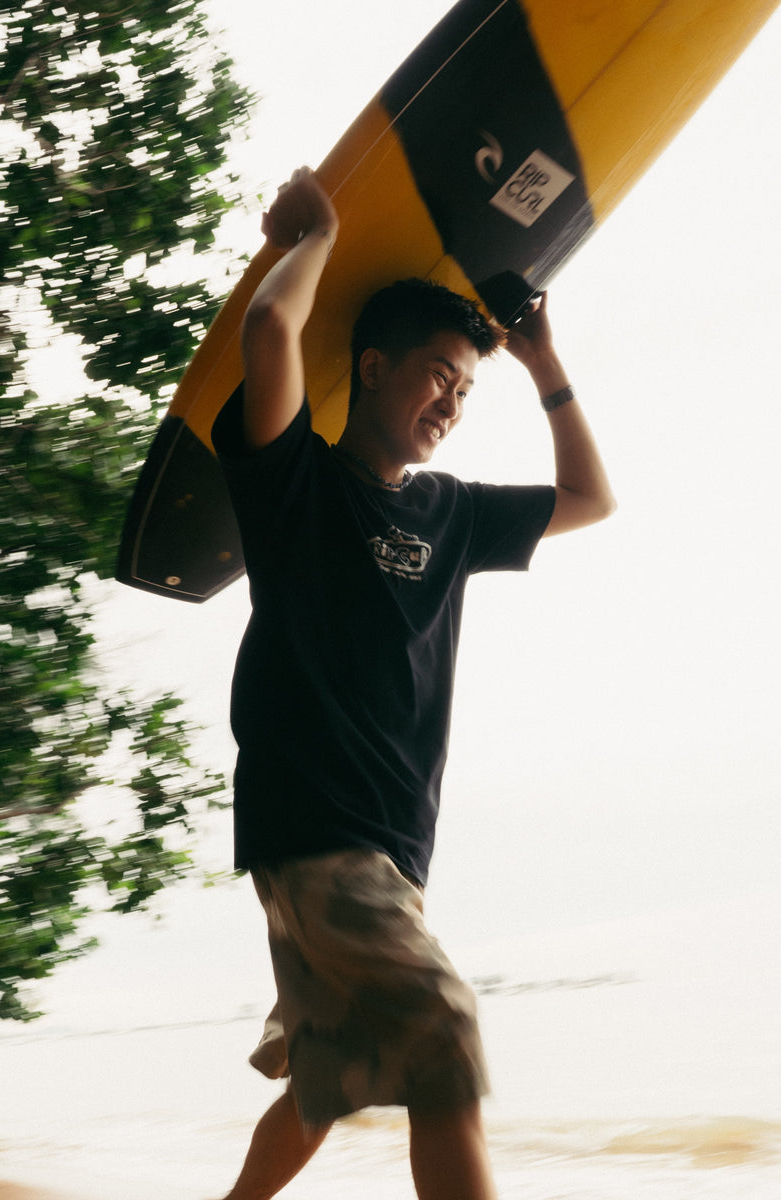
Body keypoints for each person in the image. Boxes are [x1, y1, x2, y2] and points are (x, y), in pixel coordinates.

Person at [209, 166, 616, 1200]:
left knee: (330, 1077)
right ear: (374, 367)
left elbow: (589, 496)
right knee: (442, 1032)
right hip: (318, 827)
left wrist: (543, 363)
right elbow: (270, 332)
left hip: (390, 845)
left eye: (466, 391)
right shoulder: (296, 481)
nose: (452, 404)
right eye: (439, 376)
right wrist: (315, 236)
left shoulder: (453, 512)